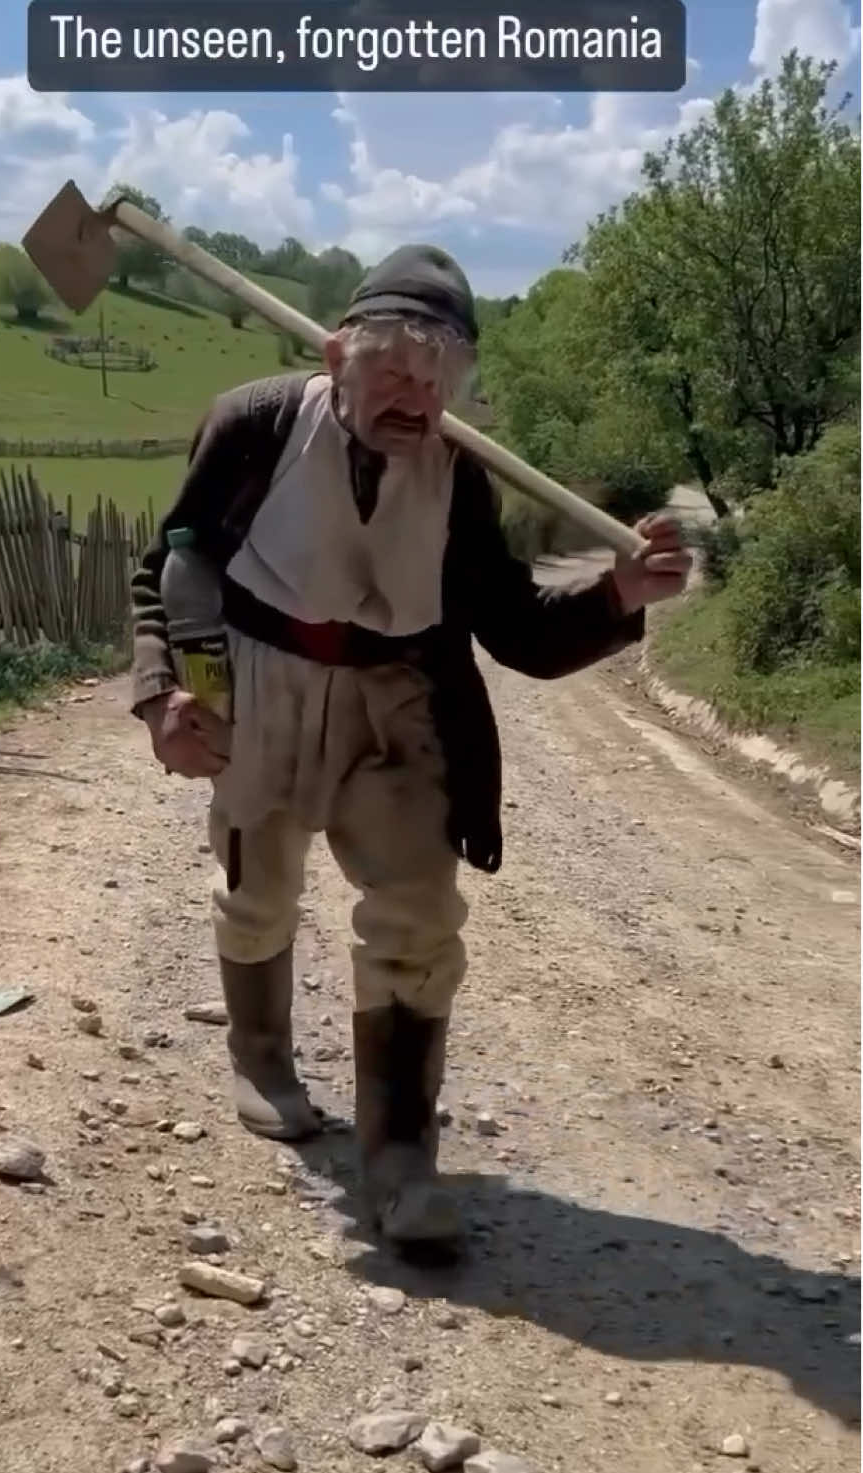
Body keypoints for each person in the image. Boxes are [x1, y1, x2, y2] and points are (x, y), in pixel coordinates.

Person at [129, 244, 691, 1254]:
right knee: (257, 887)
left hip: (401, 700)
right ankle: (261, 1060)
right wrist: (166, 696)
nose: (416, 391)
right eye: (393, 363)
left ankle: (400, 1160)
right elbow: (173, 564)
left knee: (421, 917)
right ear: (339, 352)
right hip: (261, 677)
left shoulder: (460, 475)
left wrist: (618, 597)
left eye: (440, 375)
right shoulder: (255, 424)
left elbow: (514, 627)